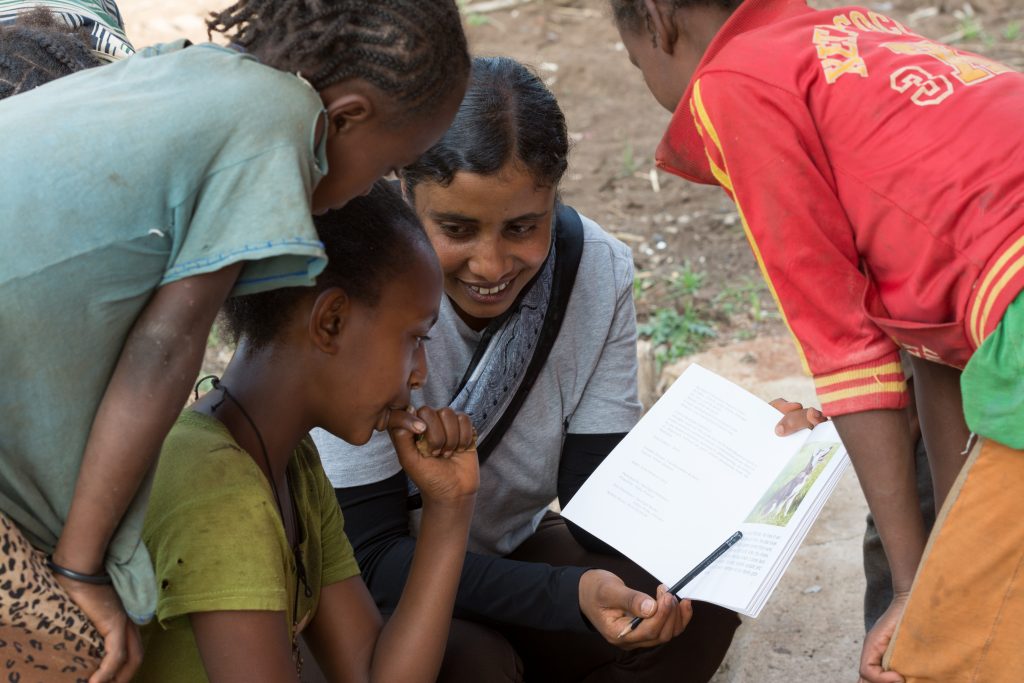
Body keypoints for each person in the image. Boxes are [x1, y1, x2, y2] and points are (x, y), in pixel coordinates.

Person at [315, 55, 826, 683]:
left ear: (554, 194)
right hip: (387, 590)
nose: (490, 262)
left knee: (692, 600)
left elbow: (596, 498)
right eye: (456, 229)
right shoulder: (361, 295)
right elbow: (369, 557)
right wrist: (566, 597)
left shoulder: (595, 270)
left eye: (523, 227)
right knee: (476, 664)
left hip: (508, 550)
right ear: (404, 191)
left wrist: (738, 463)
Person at [0, 2, 469, 680]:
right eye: (386, 165)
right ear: (345, 116)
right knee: (70, 648)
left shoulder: (197, 78)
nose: (368, 189)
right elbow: (165, 346)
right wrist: (80, 564)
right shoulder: (267, 125)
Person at [607, 1, 1024, 681]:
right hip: (1004, 288)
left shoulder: (730, 84)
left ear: (657, 22)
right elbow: (931, 339)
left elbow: (848, 351)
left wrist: (917, 597)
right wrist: (938, 574)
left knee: (953, 654)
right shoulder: (839, 25)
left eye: (636, 63)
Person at [136, 183, 478, 683]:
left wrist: (450, 510)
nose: (419, 373)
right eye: (415, 339)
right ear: (331, 321)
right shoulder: (218, 489)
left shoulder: (291, 461)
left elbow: (373, 675)